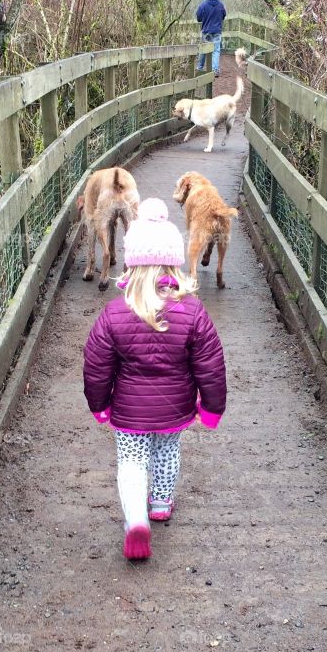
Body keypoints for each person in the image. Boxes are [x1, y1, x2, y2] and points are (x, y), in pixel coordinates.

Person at [82, 198, 227, 561]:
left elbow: (96, 365)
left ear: (131, 265)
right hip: (175, 408)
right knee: (167, 451)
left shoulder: (114, 313)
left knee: (132, 462)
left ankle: (136, 520)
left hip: (129, 412)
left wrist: (99, 405)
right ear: (174, 264)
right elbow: (210, 364)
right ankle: (161, 503)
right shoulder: (192, 311)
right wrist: (211, 408)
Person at [195, 0, 227, 78]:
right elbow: (224, 15)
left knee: (203, 50)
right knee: (216, 50)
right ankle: (215, 70)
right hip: (217, 31)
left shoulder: (203, 5)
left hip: (206, 31)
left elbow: (198, 17)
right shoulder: (220, 5)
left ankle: (200, 68)